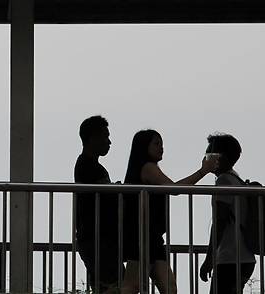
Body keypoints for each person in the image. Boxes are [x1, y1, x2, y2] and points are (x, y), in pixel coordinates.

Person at [122, 129, 218, 294]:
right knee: (134, 286)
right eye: (156, 144)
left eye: (162, 144)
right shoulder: (148, 168)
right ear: (144, 147)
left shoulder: (146, 168)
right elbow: (173, 189)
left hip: (150, 236)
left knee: (167, 286)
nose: (161, 148)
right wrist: (203, 171)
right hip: (141, 236)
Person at [199, 134, 255, 294]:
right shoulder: (235, 179)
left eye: (209, 154)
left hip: (230, 258)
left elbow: (219, 222)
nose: (206, 158)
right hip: (244, 257)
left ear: (220, 157)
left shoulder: (224, 181)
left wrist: (209, 259)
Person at [74, 115, 123, 293]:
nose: (109, 142)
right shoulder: (89, 166)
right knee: (114, 285)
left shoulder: (86, 165)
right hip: (97, 240)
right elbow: (106, 194)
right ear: (93, 138)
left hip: (95, 239)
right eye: (105, 136)